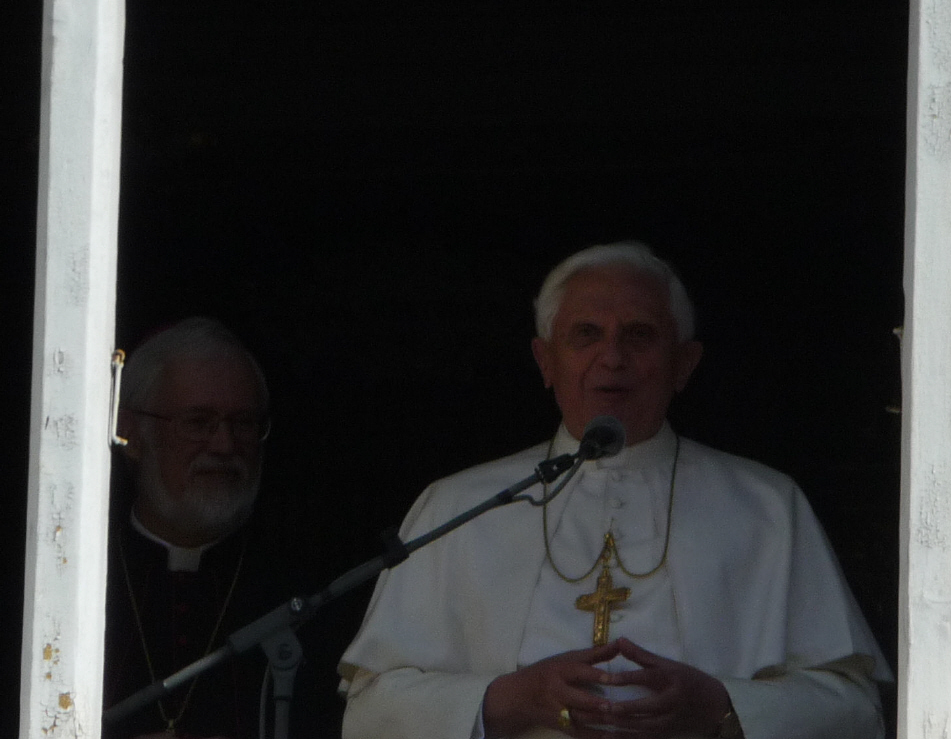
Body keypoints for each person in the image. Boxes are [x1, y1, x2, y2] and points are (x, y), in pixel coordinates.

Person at [340, 241, 890, 739]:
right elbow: (369, 713)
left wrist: (725, 708)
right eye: (586, 334)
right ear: (545, 361)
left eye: (639, 335)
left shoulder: (767, 507)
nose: (612, 358)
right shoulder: (457, 507)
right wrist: (507, 701)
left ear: (684, 364)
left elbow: (857, 712)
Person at [103, 317, 345, 739]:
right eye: (198, 422)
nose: (225, 445)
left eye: (244, 423)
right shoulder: (75, 580)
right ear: (131, 433)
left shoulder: (310, 592)